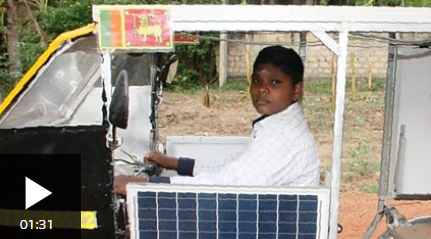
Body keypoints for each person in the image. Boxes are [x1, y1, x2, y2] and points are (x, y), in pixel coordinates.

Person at [114, 45, 320, 194]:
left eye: (275, 82)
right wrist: (174, 163)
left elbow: (230, 182)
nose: (262, 89)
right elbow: (233, 165)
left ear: (296, 90)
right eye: (257, 80)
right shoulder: (278, 125)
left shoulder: (283, 136)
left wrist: (142, 186)